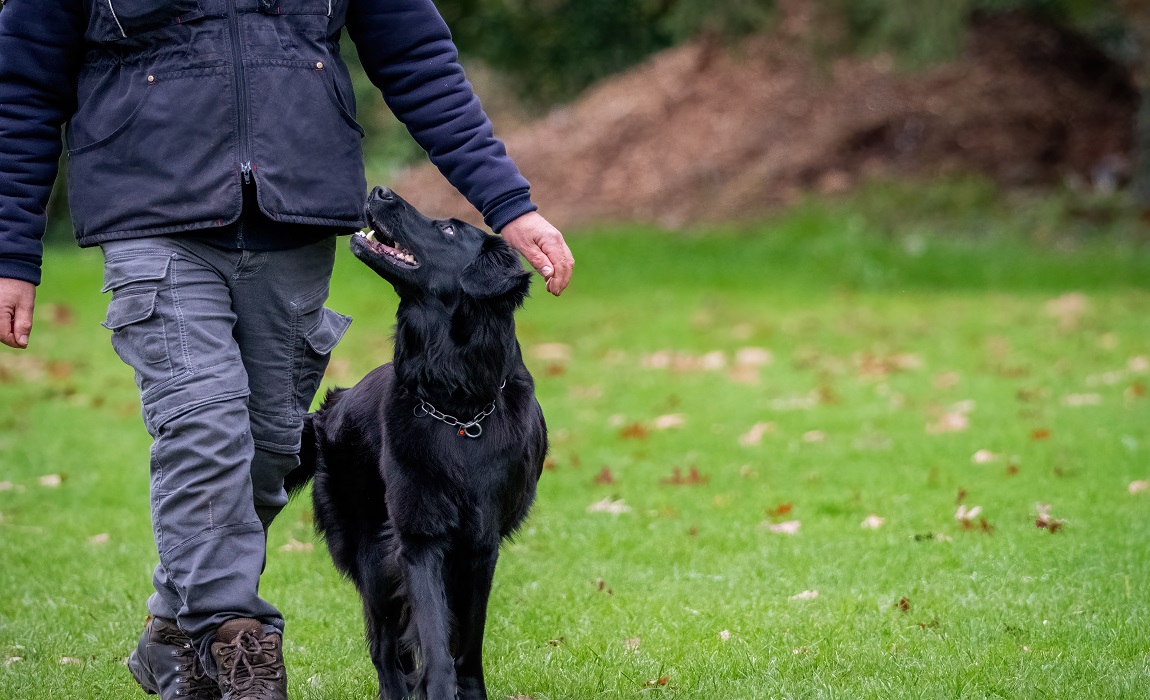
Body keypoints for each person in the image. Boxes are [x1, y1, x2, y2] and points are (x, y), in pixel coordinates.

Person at [0, 1, 573, 698]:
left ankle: (172, 630)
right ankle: (238, 646)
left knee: (271, 449)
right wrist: (10, 249)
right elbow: (23, 83)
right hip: (152, 214)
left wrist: (507, 203)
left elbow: (417, 57)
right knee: (204, 429)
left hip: (294, 214)